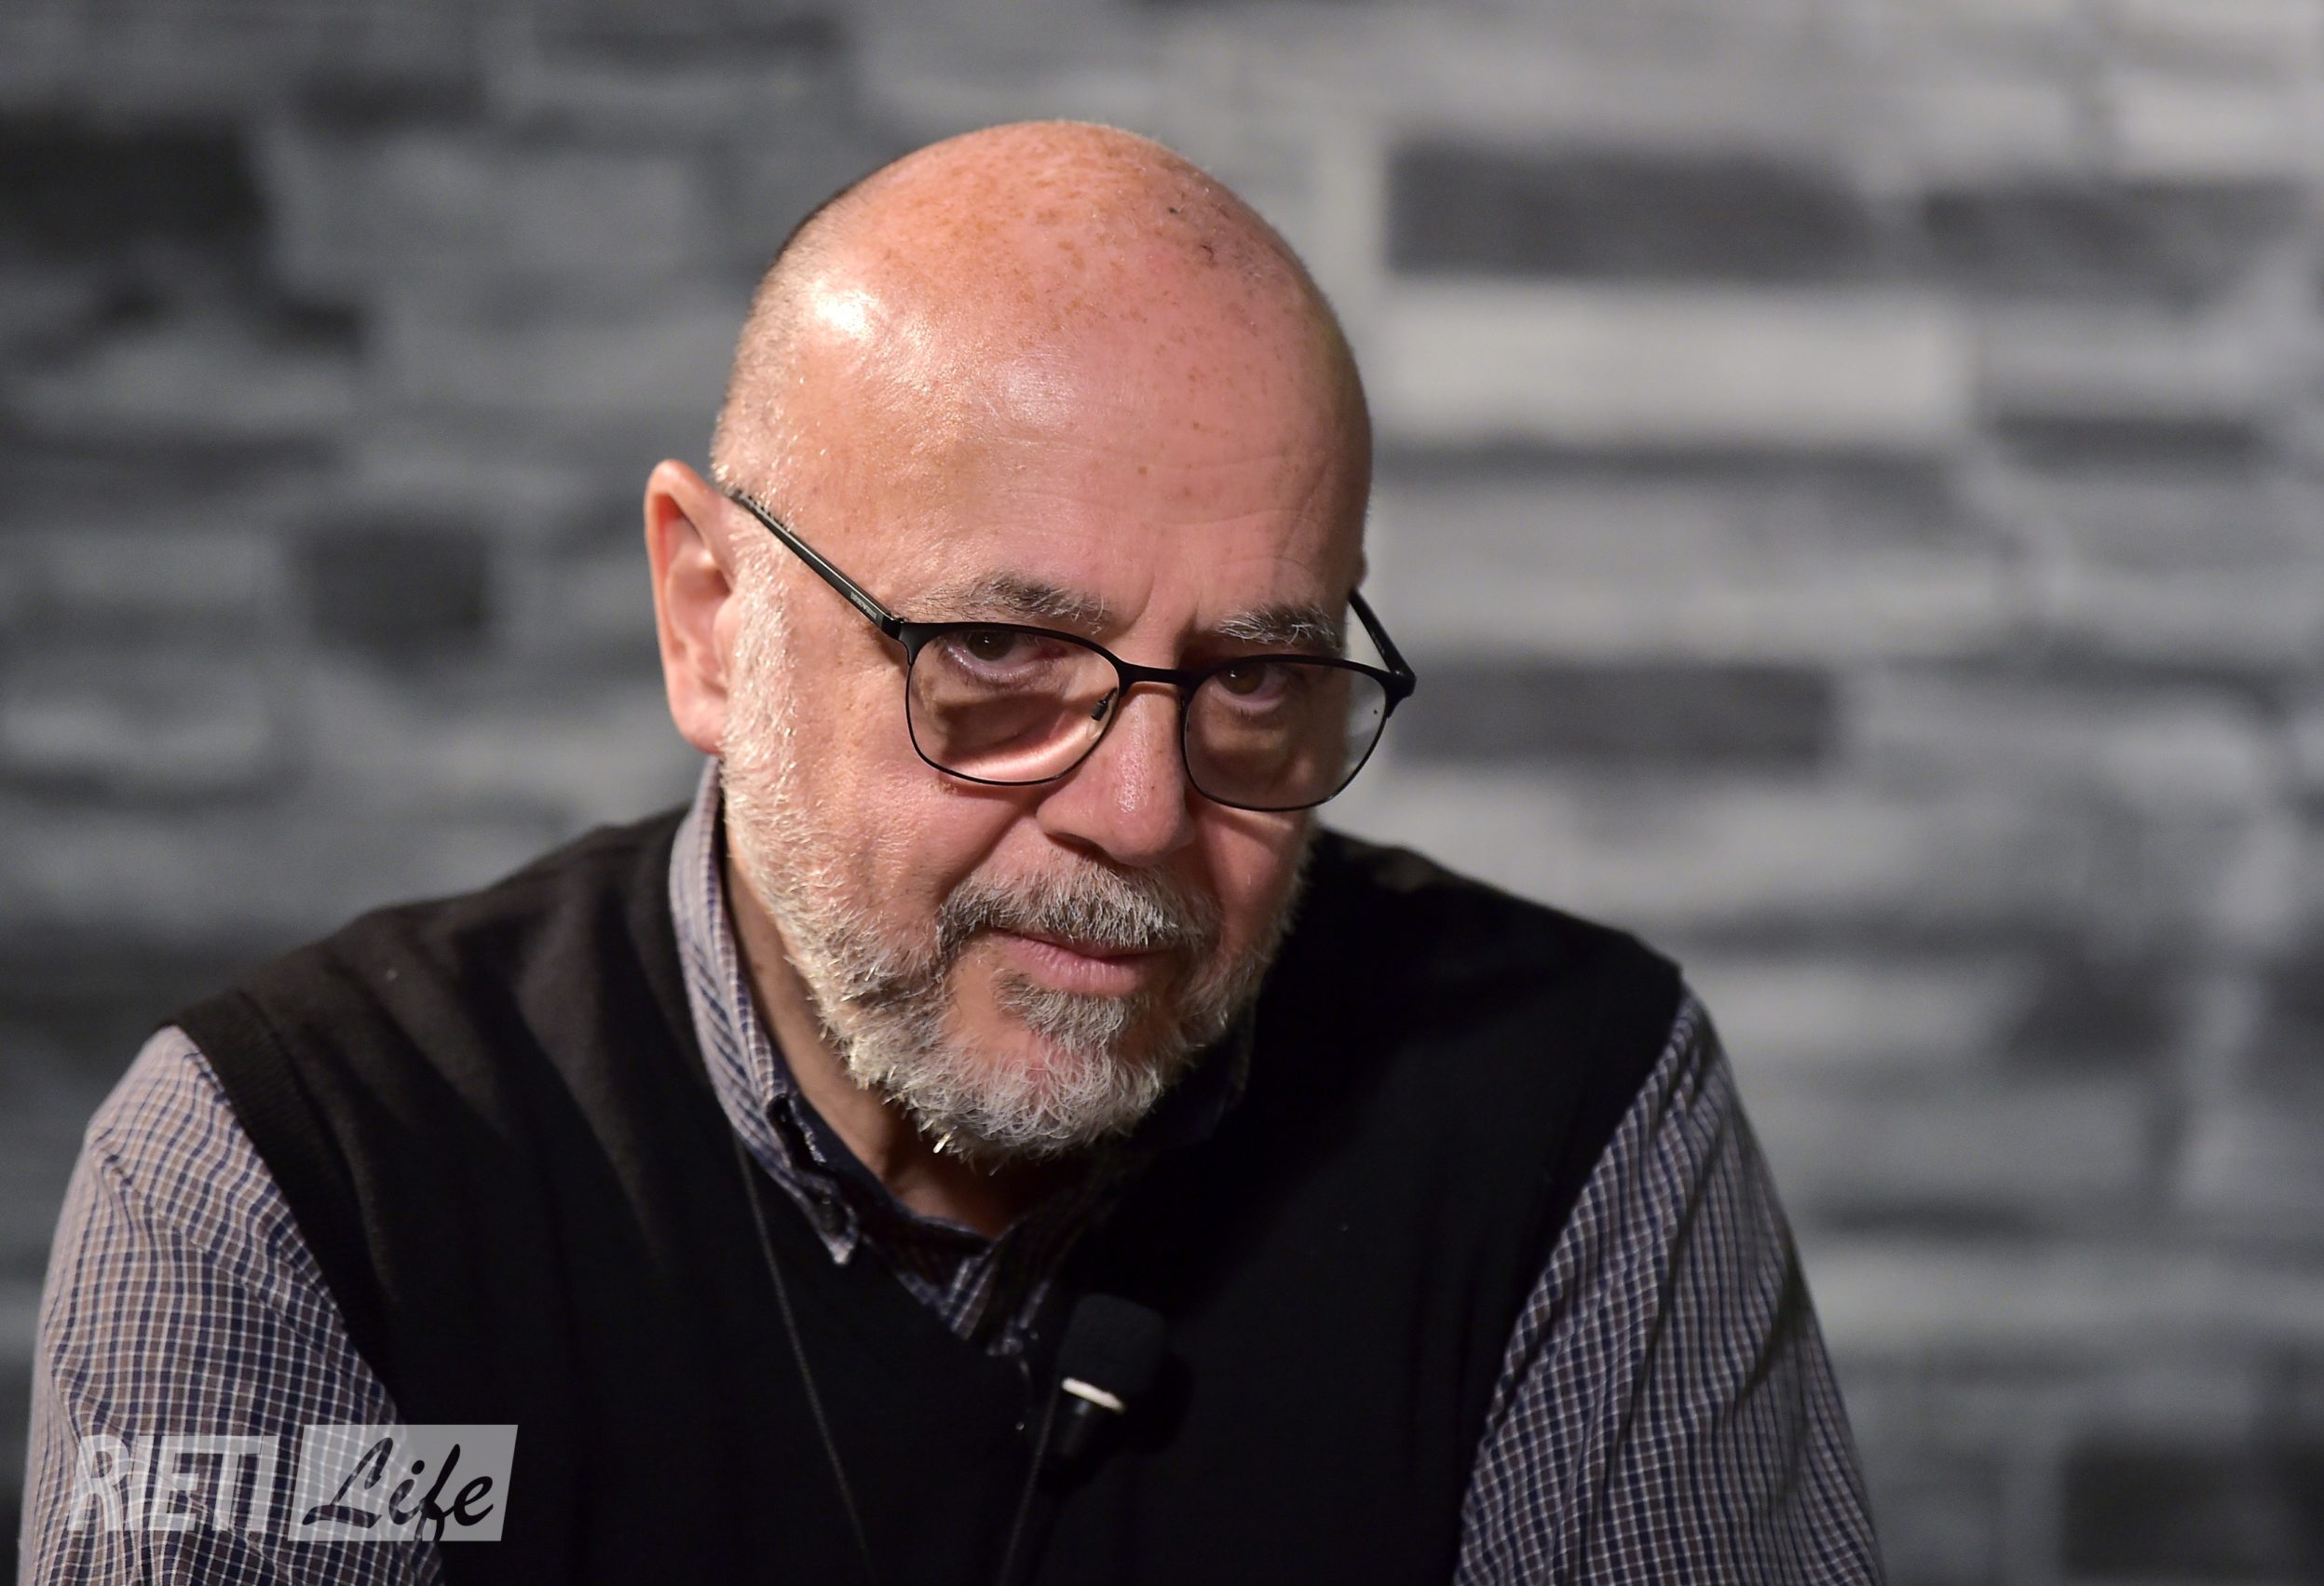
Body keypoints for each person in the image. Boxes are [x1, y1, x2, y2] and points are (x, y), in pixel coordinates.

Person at [20, 121, 1882, 1583]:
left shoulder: (1564, 1109)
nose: (1138, 816)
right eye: (994, 655)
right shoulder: (293, 1187)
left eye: (1253, 678)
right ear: (710, 620)